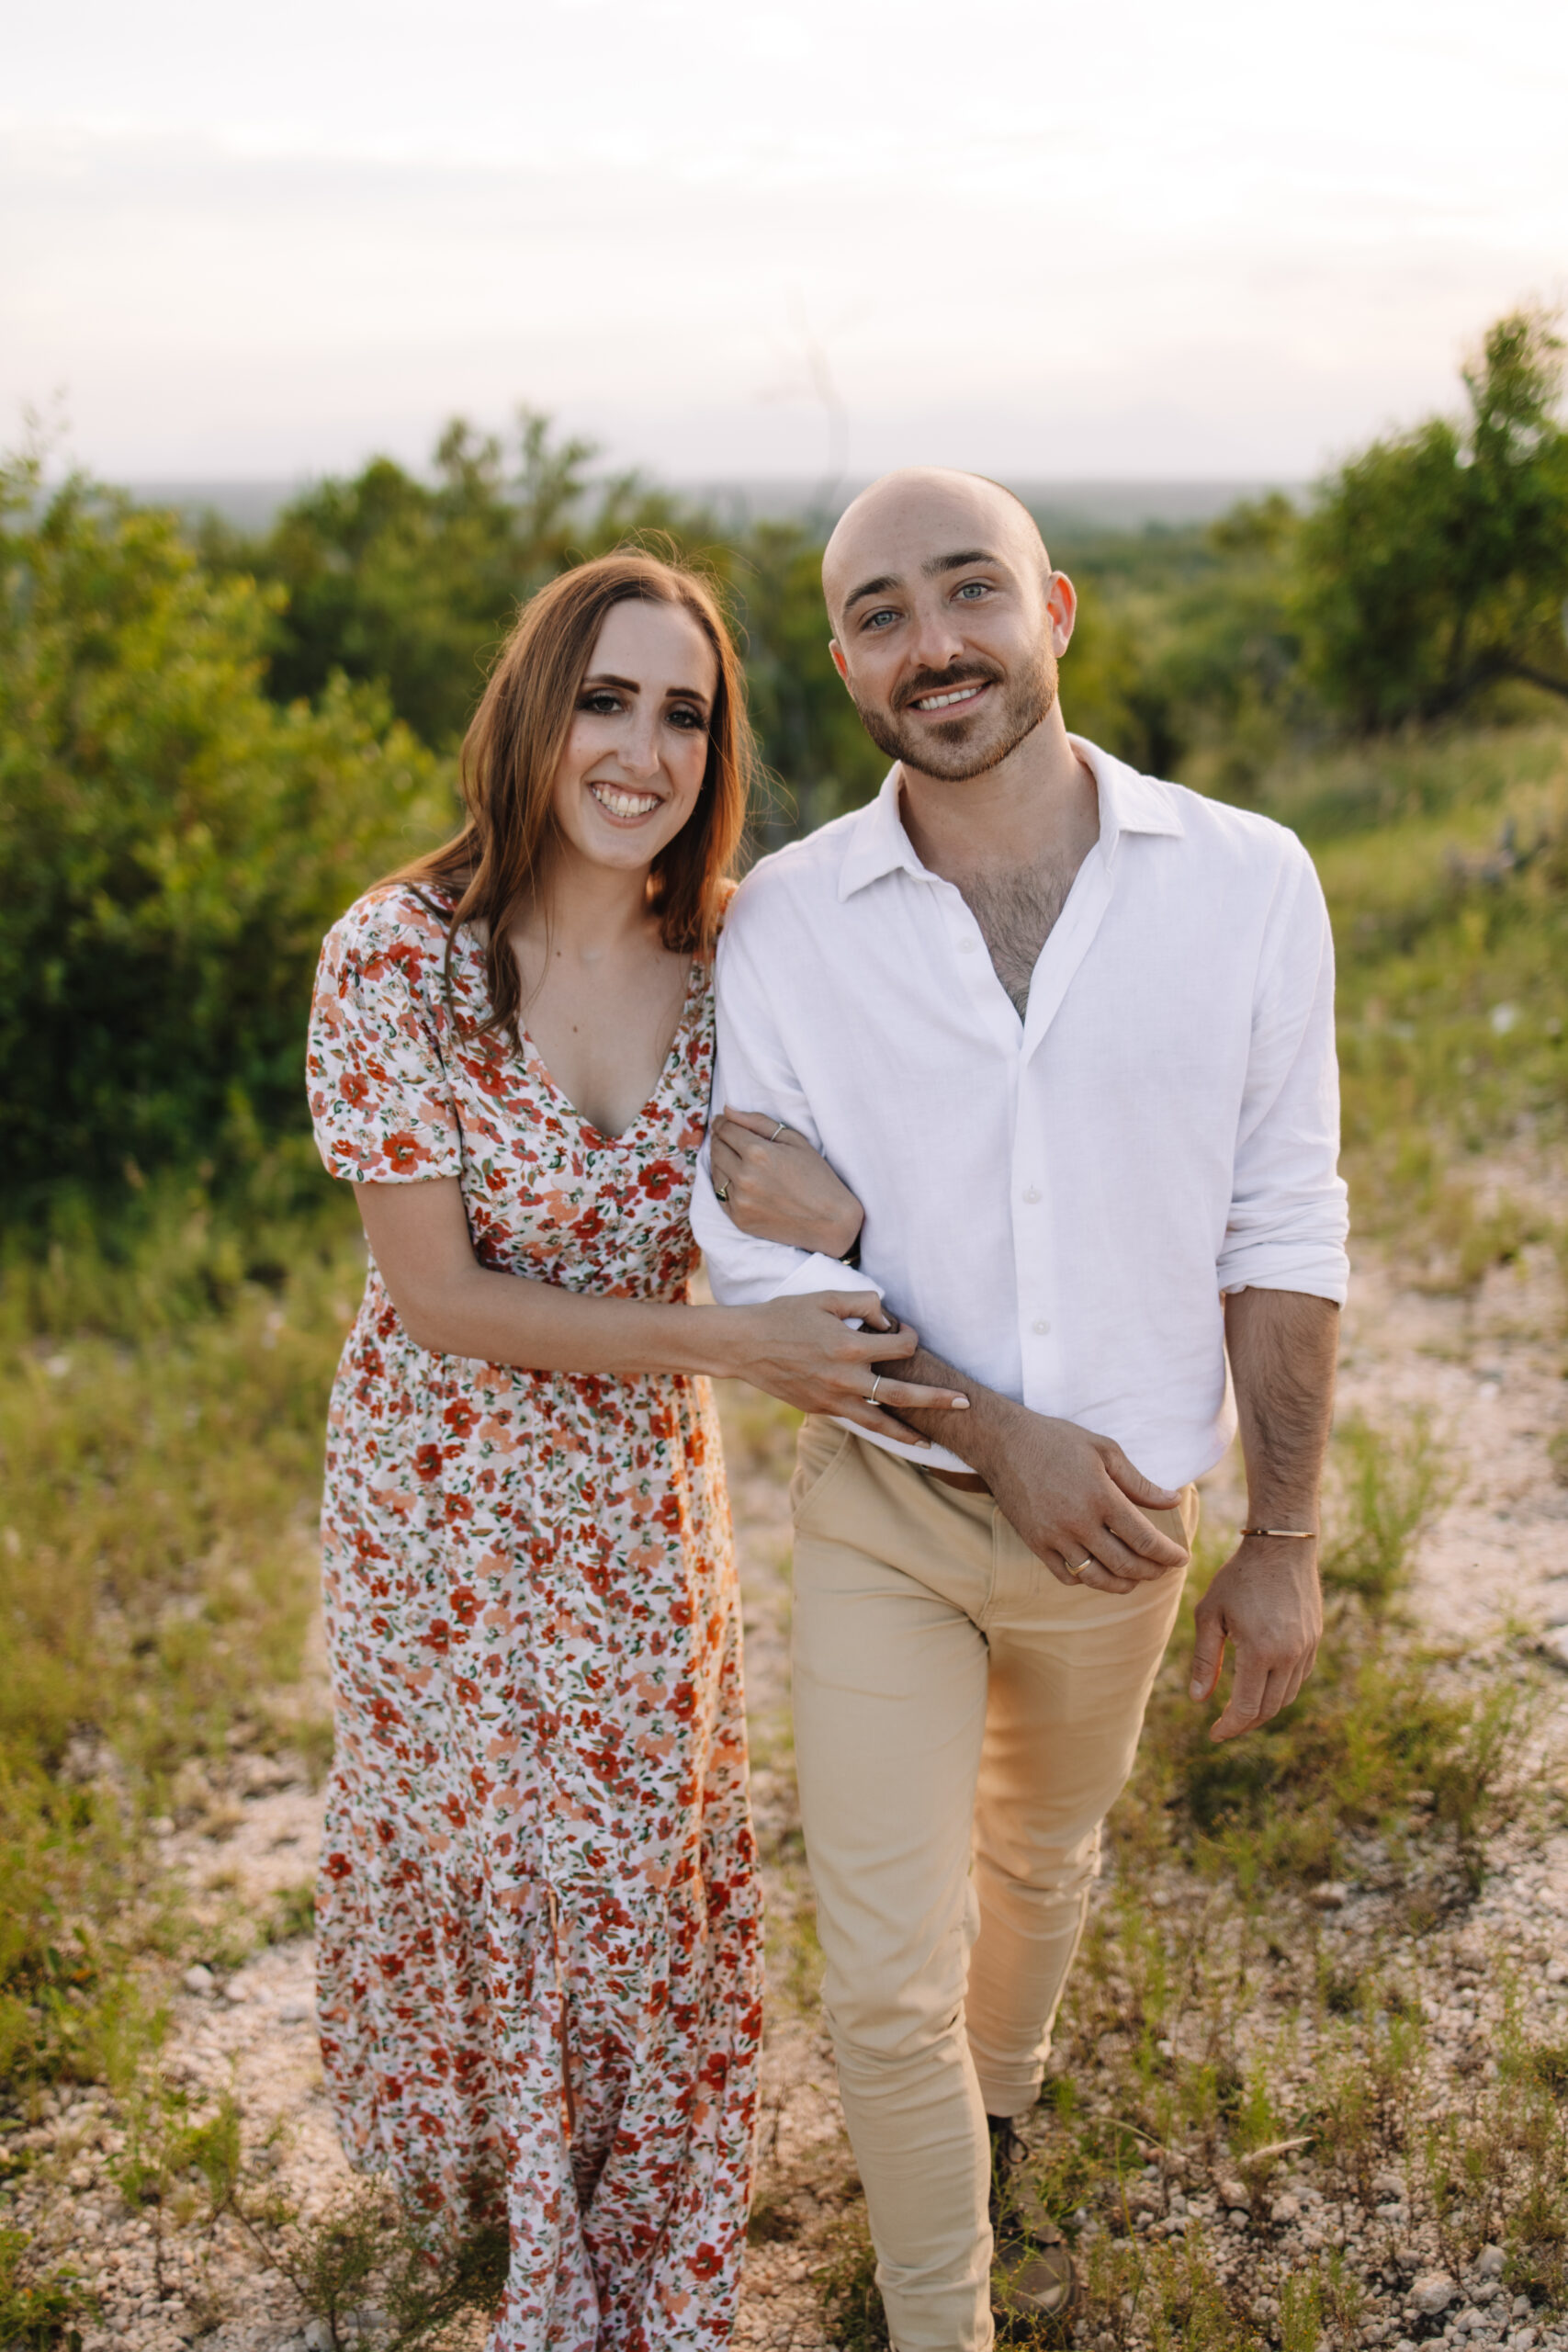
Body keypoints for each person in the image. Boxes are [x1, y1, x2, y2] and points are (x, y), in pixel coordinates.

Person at [692, 471, 1349, 2350]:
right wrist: (992, 1430)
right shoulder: (789, 925)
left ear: (1052, 604)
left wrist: (1281, 1541)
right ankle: (937, 2312)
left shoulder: (1245, 880)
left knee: (1039, 1865)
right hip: (886, 1497)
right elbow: (761, 1269)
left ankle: (989, 2115)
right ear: (843, 663)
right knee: (880, 1975)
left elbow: (1280, 1212)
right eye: (882, 613)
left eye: (966, 589)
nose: (932, 641)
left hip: (1128, 1520)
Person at [304, 549, 966, 2352]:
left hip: (627, 1498)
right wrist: (733, 1346)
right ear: (535, 710)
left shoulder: (740, 949)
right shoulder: (398, 957)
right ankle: (503, 2180)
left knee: (633, 1840)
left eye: (684, 711)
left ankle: (632, 2169)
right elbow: (437, 1297)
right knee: (493, 1839)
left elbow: (930, 1070)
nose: (642, 746)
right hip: (441, 1482)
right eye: (607, 696)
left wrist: (835, 1226)